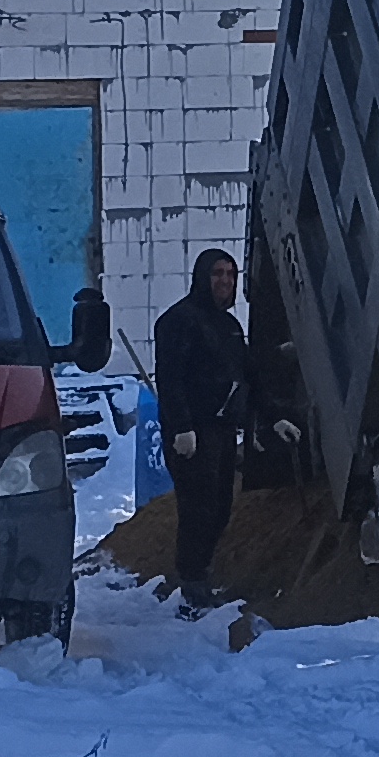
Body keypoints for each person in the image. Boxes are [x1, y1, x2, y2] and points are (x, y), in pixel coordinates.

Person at [153, 248, 252, 612]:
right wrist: (181, 427)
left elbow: (245, 375)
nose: (224, 281)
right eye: (216, 274)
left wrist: (272, 417)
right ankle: (191, 586)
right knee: (198, 508)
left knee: (221, 506)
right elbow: (171, 378)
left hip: (222, 431)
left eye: (230, 273)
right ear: (201, 277)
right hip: (191, 436)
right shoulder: (178, 321)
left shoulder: (229, 326)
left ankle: (202, 574)